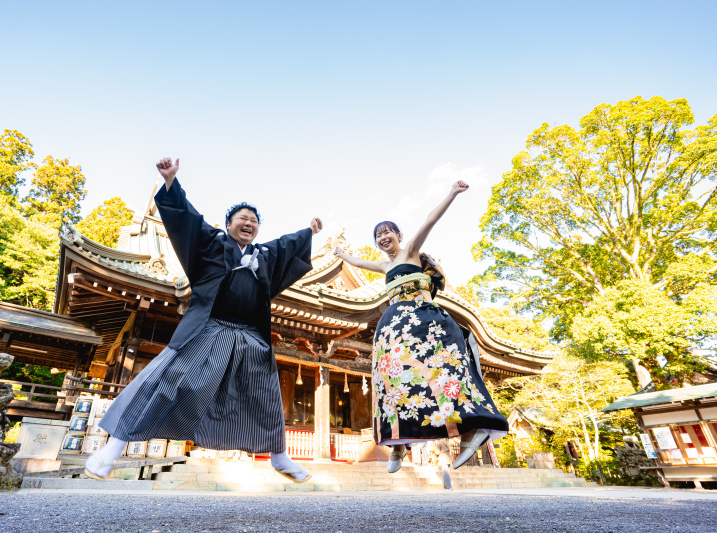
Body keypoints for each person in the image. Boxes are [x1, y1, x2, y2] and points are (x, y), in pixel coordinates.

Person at [87, 157, 323, 483]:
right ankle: (108, 453)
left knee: (266, 393)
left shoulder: (264, 256)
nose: (249, 224)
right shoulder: (211, 243)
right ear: (228, 224)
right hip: (207, 329)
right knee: (164, 379)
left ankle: (280, 457)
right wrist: (171, 182)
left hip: (249, 337)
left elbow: (287, 246)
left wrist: (309, 231)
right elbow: (189, 220)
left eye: (254, 221)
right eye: (242, 218)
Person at [334, 180, 507, 474]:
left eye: (388, 231)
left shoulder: (411, 251)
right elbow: (357, 261)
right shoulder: (385, 267)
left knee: (444, 372)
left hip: (424, 320)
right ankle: (398, 444)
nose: (383, 237)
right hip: (394, 328)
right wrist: (340, 255)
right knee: (393, 380)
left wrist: (451, 194)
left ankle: (469, 430)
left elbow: (430, 220)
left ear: (399, 235)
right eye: (378, 235)